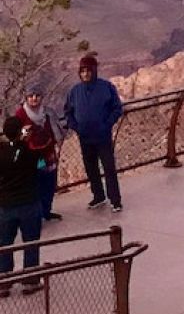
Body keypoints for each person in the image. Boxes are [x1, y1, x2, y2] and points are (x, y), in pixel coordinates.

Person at [64, 53, 124, 212]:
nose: (85, 74)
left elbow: (117, 108)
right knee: (91, 169)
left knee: (109, 168)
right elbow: (68, 112)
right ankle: (98, 196)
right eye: (82, 71)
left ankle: (115, 200)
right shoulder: (74, 91)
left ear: (94, 70)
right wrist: (76, 126)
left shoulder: (107, 87)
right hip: (85, 138)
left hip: (103, 136)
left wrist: (107, 124)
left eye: (88, 71)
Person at [0, 115, 42, 295]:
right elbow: (40, 166)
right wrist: (26, 141)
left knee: (5, 243)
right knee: (30, 241)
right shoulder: (30, 152)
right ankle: (30, 280)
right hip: (28, 201)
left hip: (6, 204)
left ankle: (4, 280)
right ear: (20, 132)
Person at [14, 88, 63, 222]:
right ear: (26, 98)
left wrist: (56, 143)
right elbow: (20, 137)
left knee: (50, 182)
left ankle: (46, 211)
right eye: (31, 96)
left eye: (37, 95)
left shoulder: (47, 112)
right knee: (36, 185)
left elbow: (56, 129)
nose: (34, 98)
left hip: (48, 153)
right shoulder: (21, 115)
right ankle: (36, 215)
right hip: (32, 156)